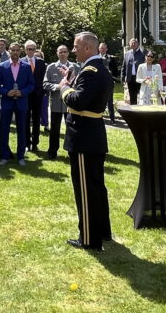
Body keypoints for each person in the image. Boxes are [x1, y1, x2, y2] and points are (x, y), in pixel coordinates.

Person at [58, 31, 113, 251]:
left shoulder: (90, 72)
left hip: (83, 137)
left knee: (86, 189)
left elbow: (78, 102)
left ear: (88, 48)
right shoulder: (99, 69)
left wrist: (64, 88)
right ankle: (103, 231)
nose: (73, 50)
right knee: (97, 186)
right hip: (93, 135)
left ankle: (90, 238)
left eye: (76, 46)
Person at [0, 42, 33, 165]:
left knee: (22, 129)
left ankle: (21, 156)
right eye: (13, 50)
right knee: (4, 129)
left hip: (22, 102)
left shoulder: (26, 67)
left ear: (20, 51)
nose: (15, 52)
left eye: (17, 50)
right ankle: (5, 156)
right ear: (9, 51)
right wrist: (6, 92)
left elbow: (31, 84)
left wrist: (22, 92)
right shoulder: (2, 66)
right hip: (7, 102)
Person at [43, 45, 76, 159]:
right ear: (57, 53)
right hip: (56, 103)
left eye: (64, 52)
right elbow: (45, 84)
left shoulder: (74, 67)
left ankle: (71, 151)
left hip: (70, 104)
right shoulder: (51, 67)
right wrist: (58, 86)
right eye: (60, 52)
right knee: (55, 129)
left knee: (71, 128)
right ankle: (52, 151)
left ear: (68, 53)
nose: (62, 54)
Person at [23, 40, 47, 153]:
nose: (30, 51)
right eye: (28, 49)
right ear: (25, 50)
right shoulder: (21, 61)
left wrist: (42, 92)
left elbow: (44, 79)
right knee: (26, 119)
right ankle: (27, 143)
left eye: (32, 49)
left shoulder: (41, 62)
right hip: (25, 95)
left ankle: (35, 143)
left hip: (38, 95)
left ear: (35, 50)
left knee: (37, 119)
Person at [123, 38, 145, 107]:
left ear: (138, 44)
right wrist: (123, 77)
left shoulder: (143, 53)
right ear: (129, 45)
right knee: (132, 95)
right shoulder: (127, 53)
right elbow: (124, 66)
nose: (133, 44)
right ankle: (133, 110)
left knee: (141, 95)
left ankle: (141, 110)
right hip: (130, 78)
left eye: (134, 43)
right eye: (131, 43)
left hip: (140, 78)